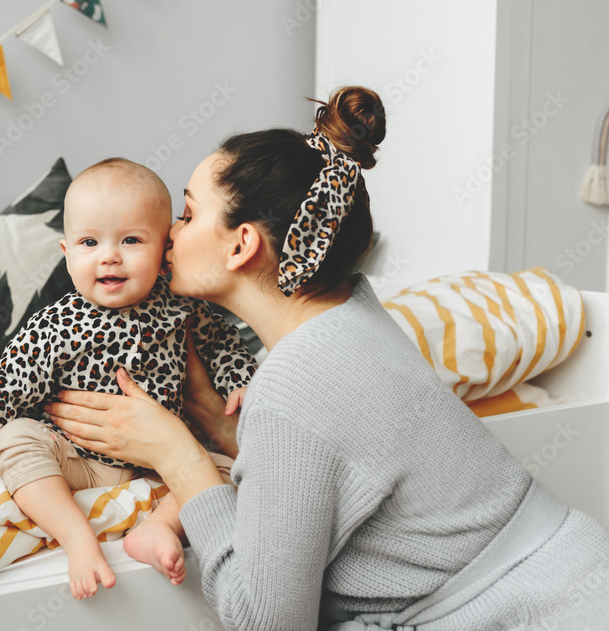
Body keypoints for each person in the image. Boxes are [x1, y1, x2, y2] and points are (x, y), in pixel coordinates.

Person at [44, 86, 609, 629]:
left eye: (189, 215)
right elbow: (341, 454)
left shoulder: (293, 384)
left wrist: (179, 458)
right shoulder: (354, 317)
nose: (168, 232)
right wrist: (219, 423)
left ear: (242, 244)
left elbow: (267, 621)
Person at [0, 157, 257, 600]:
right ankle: (77, 538)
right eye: (90, 242)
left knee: (229, 472)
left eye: (131, 240)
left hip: (163, 465)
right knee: (16, 437)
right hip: (76, 458)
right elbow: (6, 386)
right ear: (67, 255)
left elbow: (225, 345)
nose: (109, 255)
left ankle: (158, 527)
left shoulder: (184, 309)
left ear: (164, 251)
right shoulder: (58, 324)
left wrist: (240, 379)